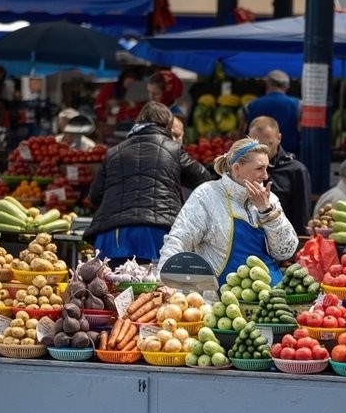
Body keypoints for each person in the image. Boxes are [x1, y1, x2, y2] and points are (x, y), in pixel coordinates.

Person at [84, 102, 212, 265]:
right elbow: (205, 180)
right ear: (168, 125)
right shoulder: (173, 150)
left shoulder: (113, 153)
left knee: (111, 280)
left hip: (114, 234)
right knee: (156, 281)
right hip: (157, 232)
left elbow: (95, 196)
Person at [158, 138, 299, 286]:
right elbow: (179, 240)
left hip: (272, 296)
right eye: (259, 168)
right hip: (222, 296)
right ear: (237, 169)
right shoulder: (207, 195)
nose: (265, 176)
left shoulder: (270, 199)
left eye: (266, 168)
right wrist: (164, 281)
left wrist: (267, 212)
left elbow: (285, 251)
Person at [249, 115, 312, 231]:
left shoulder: (296, 171)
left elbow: (301, 219)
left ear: (279, 138)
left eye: (268, 145)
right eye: (255, 146)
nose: (261, 151)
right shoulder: (240, 168)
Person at [244, 70, 301, 157]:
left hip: (257, 156)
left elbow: (242, 132)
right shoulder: (297, 105)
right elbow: (301, 130)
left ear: (267, 84)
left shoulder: (251, 105)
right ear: (287, 86)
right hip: (289, 156)